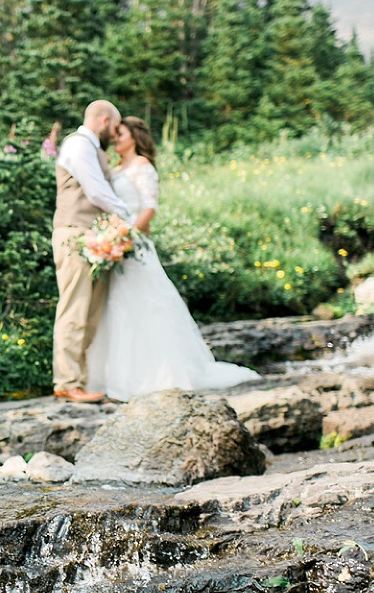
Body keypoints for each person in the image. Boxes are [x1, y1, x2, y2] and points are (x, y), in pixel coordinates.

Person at [87, 116, 258, 401]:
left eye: (121, 134)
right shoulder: (115, 168)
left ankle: (161, 374)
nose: (115, 138)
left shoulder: (143, 166)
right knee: (117, 308)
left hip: (134, 243)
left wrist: (127, 235)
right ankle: (117, 376)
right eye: (115, 134)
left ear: (134, 137)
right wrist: (109, 237)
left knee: (147, 306)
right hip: (114, 245)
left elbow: (149, 206)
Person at [52, 100, 131, 403]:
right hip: (74, 234)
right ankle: (67, 381)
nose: (115, 133)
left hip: (94, 238)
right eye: (114, 126)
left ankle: (80, 380)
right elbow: (96, 190)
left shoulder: (93, 148)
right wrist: (128, 218)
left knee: (91, 312)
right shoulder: (79, 144)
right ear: (103, 119)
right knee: (75, 308)